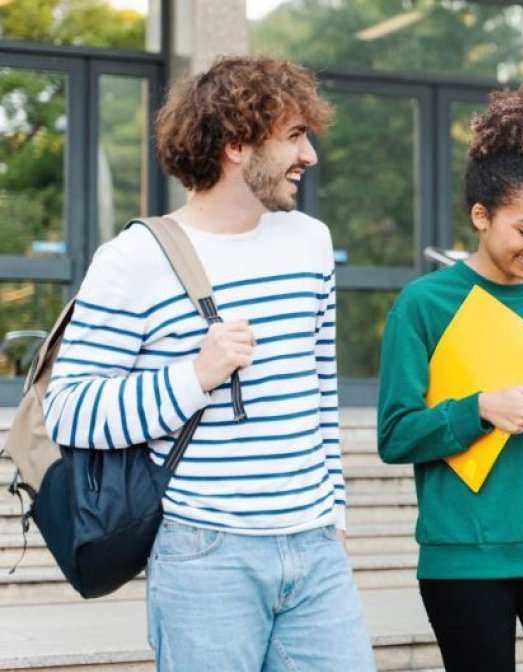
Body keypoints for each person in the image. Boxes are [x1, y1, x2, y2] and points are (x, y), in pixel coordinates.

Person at [41, 56, 375, 669]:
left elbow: (321, 390)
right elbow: (67, 411)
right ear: (237, 144)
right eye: (296, 137)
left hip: (316, 551)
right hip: (205, 554)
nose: (310, 156)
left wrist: (335, 513)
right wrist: (192, 378)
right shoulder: (133, 259)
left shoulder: (310, 242)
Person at [375, 84, 523, 672]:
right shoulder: (423, 305)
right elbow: (395, 435)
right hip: (464, 555)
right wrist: (477, 408)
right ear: (481, 216)